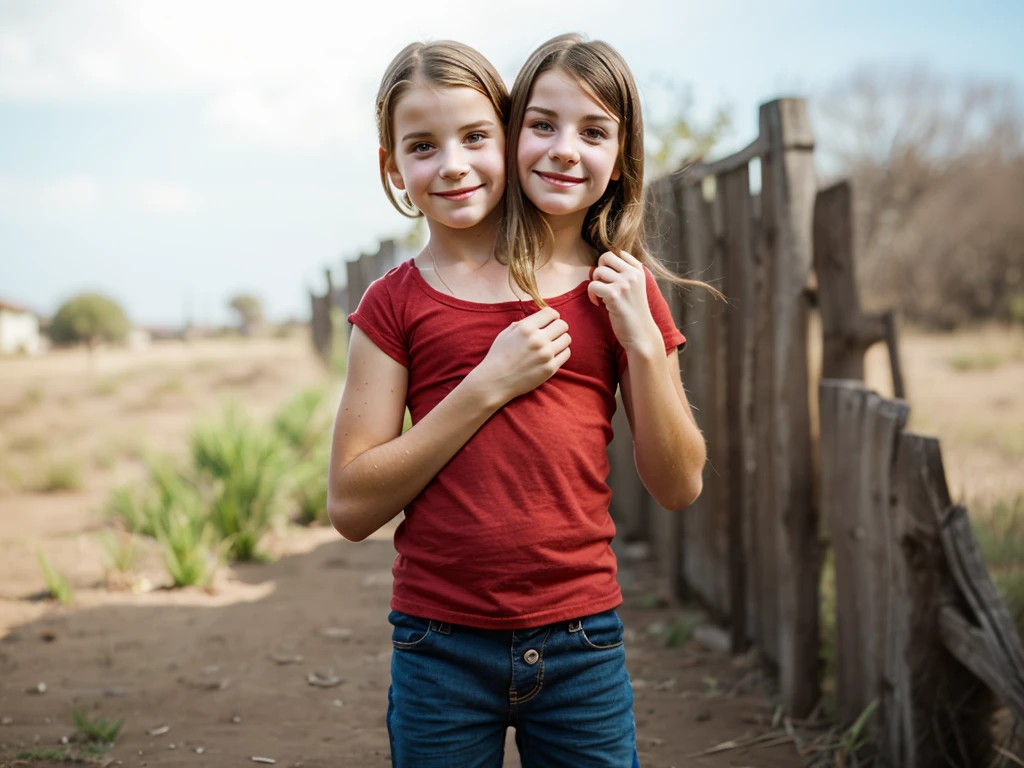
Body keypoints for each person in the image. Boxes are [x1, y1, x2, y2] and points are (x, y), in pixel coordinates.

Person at [328, 35, 710, 767]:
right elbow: (350, 506)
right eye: (543, 125)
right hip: (438, 644)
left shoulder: (620, 291)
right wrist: (487, 385)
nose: (456, 163)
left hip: (581, 641)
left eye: (475, 136)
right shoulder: (394, 303)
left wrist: (646, 346)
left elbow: (678, 484)